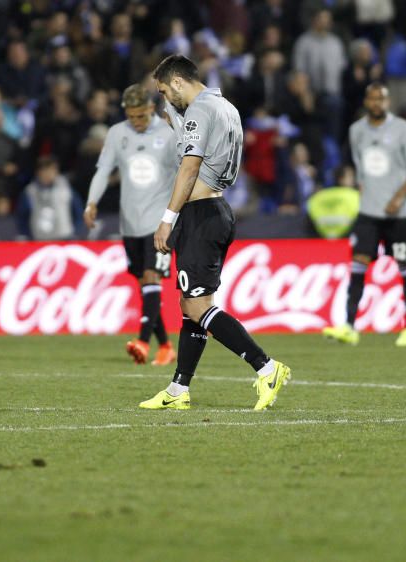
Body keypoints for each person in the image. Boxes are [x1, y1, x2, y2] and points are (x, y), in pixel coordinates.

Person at [141, 55, 292, 412]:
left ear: (178, 82)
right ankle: (179, 389)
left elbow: (190, 167)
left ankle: (267, 367)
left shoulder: (199, 110)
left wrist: (167, 217)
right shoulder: (226, 108)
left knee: (197, 305)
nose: (167, 97)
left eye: (165, 89)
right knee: (190, 305)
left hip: (200, 215)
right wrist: (176, 122)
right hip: (217, 210)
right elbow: (207, 153)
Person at [322, 83, 406, 347]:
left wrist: (398, 198)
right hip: (369, 210)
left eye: (381, 98)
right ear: (366, 101)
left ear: (387, 101)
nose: (376, 103)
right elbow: (360, 167)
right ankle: (349, 326)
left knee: (403, 264)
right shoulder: (356, 131)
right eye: (372, 98)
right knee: (358, 263)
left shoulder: (404, 130)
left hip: (400, 212)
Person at [84, 84, 178, 367]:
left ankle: (141, 341)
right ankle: (165, 346)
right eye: (131, 116)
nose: (136, 121)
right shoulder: (117, 134)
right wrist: (91, 202)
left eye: (141, 115)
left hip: (160, 223)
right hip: (130, 224)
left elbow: (184, 171)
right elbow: (103, 170)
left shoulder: (169, 134)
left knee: (152, 278)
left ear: (151, 108)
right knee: (145, 283)